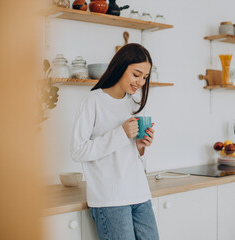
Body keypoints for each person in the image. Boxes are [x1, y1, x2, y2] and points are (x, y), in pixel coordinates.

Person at [71, 43, 159, 240]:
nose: (141, 82)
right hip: (110, 199)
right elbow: (78, 150)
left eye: (145, 77)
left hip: (140, 194)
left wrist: (141, 147)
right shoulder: (92, 100)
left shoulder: (133, 104)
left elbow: (131, 155)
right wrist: (120, 134)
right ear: (121, 66)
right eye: (136, 74)